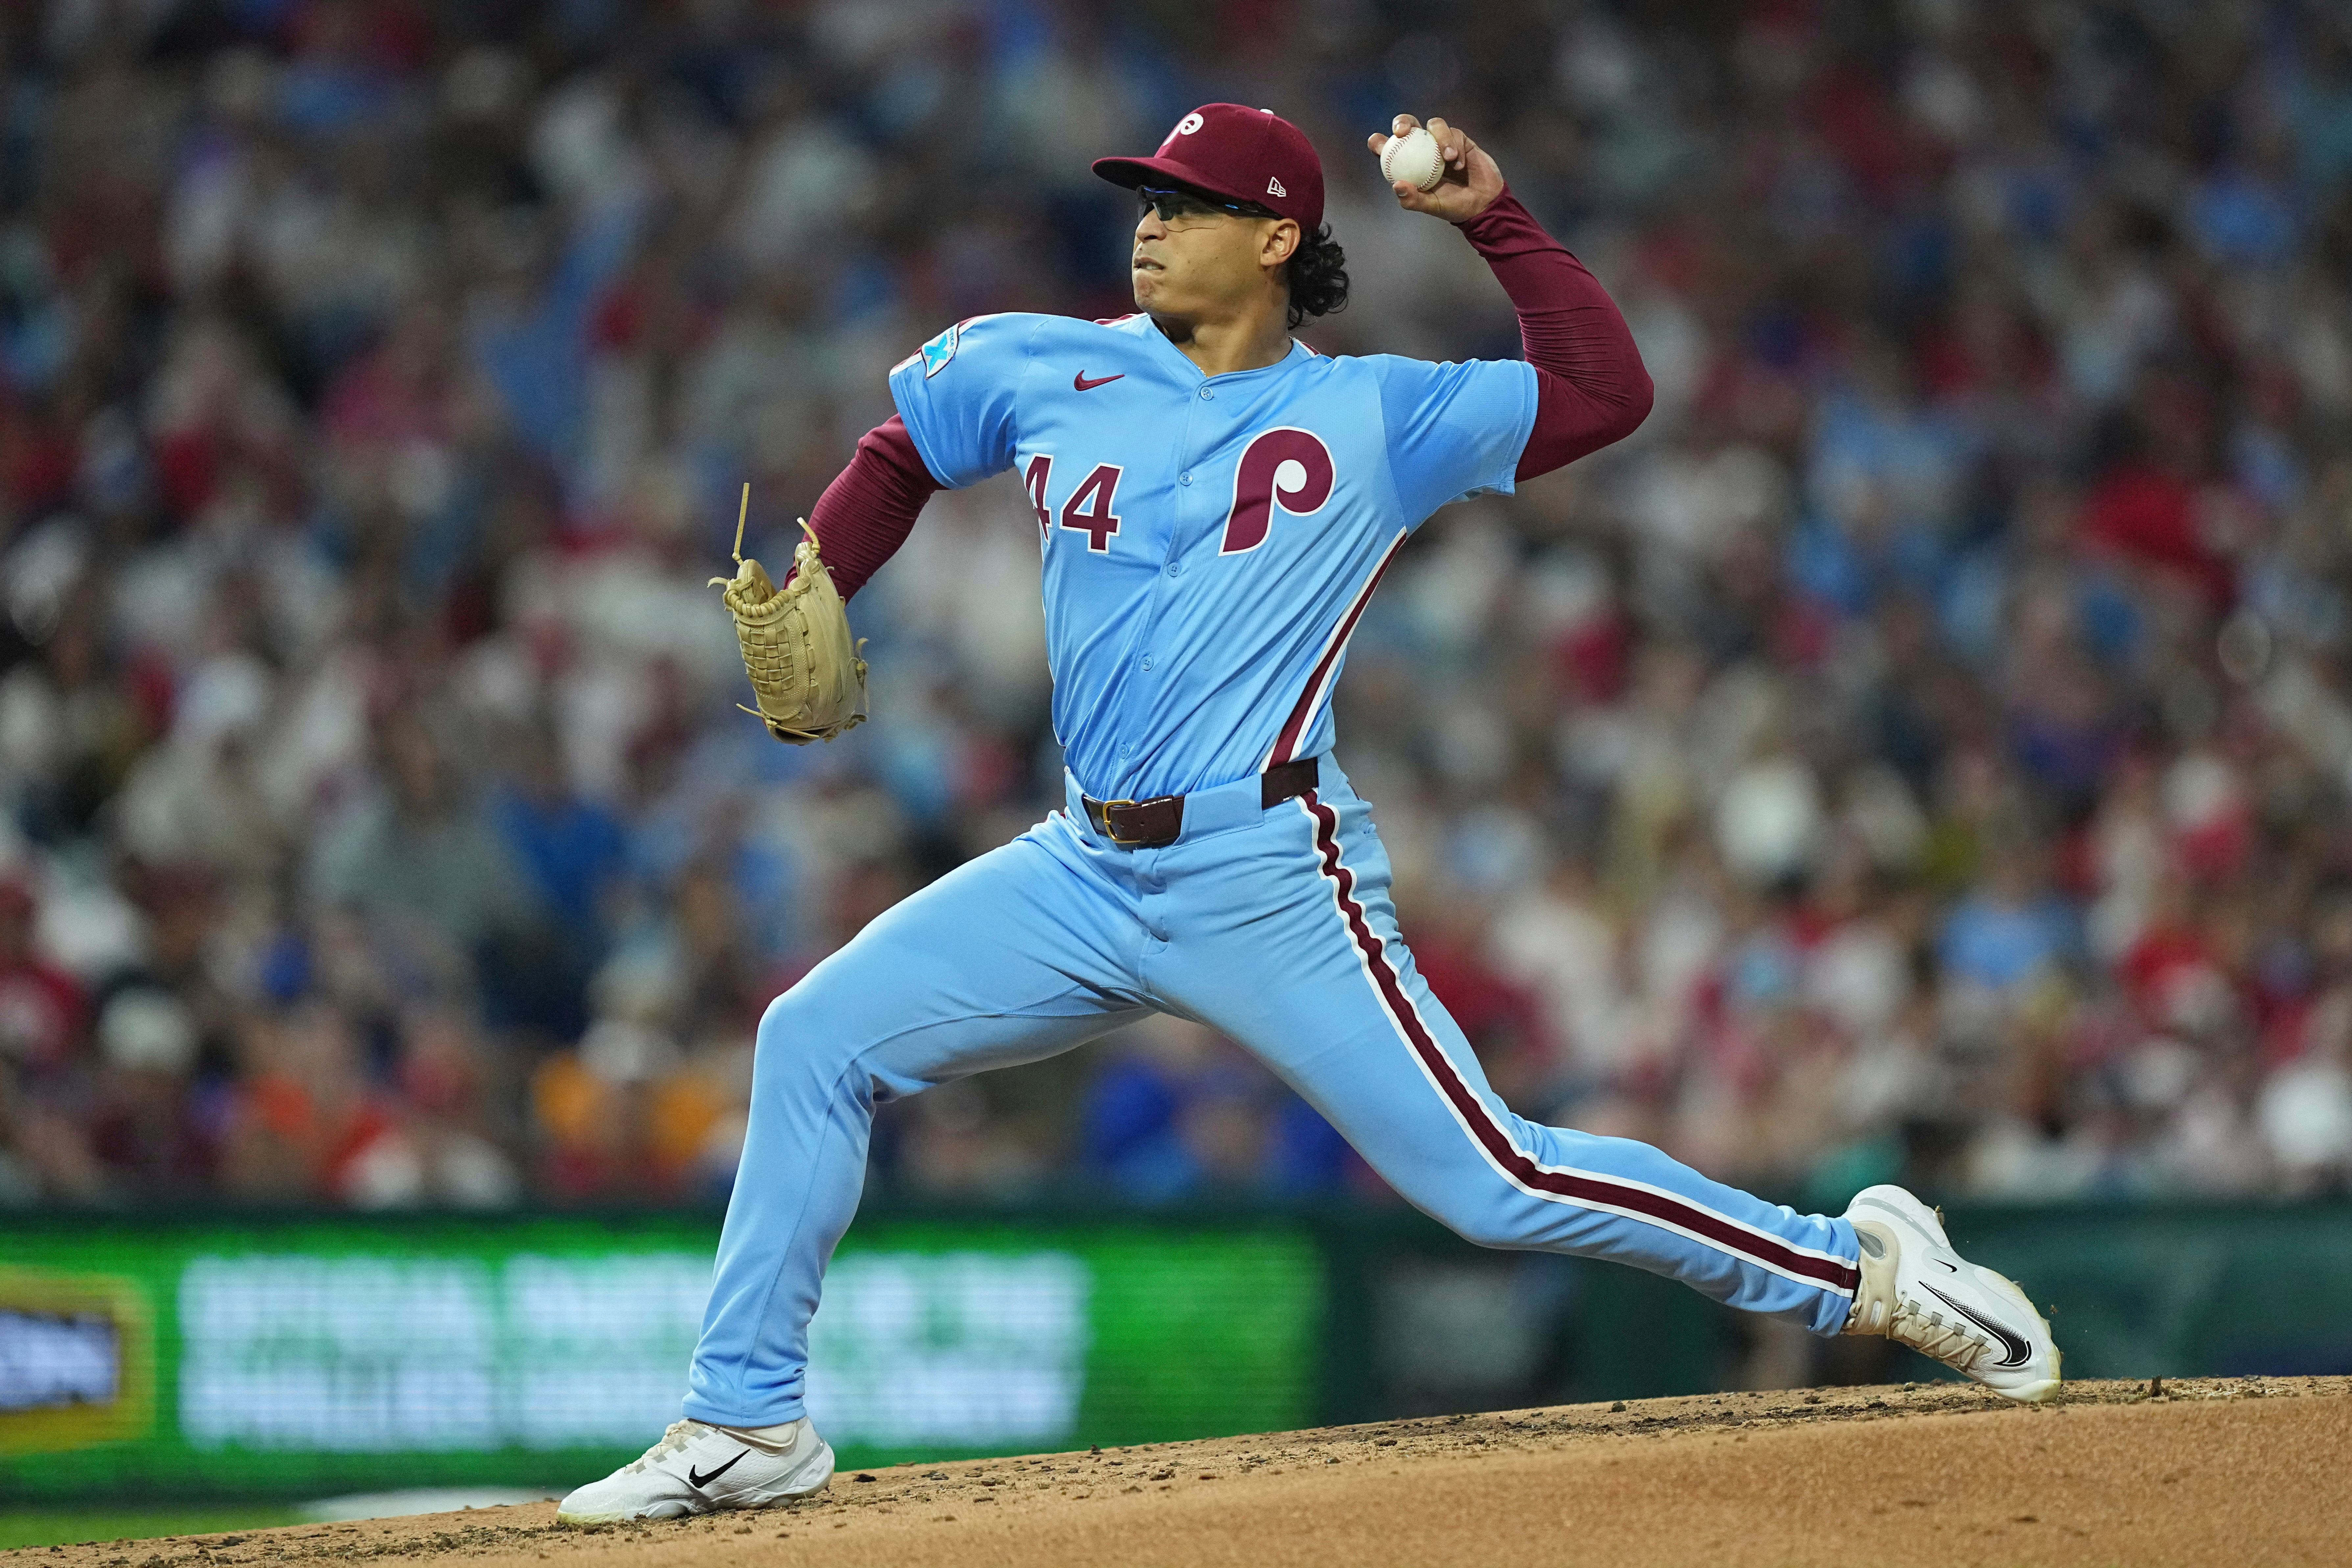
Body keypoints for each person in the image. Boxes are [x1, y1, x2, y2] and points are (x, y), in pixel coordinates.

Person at [557, 107, 2058, 1525]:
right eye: (1142, 202)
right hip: (1081, 862)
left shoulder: (1375, 413)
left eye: (1185, 206)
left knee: (1499, 1180)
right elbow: (901, 450)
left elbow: (1608, 392)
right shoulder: (1042, 361)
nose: (1146, 227)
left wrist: (1498, 220)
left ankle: (1858, 1266)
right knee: (810, 1036)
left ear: (1275, 238)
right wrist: (828, 565)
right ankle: (748, 1420)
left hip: (1266, 870)